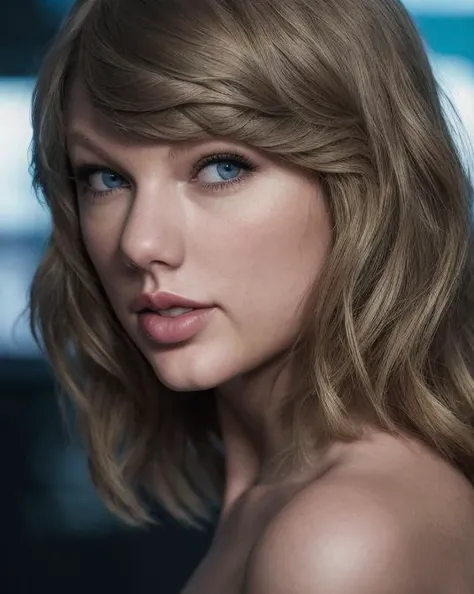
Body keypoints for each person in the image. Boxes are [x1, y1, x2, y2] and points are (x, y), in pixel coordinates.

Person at [28, 0, 474, 591]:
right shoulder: (288, 494)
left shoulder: (342, 537)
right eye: (106, 178)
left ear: (366, 186)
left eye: (220, 167)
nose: (139, 243)